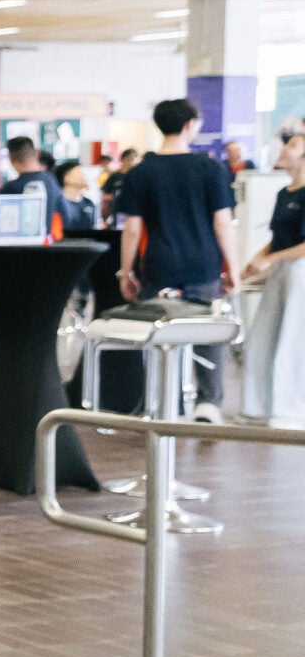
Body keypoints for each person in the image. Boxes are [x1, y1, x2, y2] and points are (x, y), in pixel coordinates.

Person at [115, 97, 242, 421]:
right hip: (204, 266)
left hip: (159, 267)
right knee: (209, 333)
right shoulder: (210, 168)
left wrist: (125, 272)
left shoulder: (140, 172)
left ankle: (163, 403)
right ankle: (208, 404)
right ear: (189, 125)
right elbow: (223, 224)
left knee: (161, 335)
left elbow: (132, 230)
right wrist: (233, 269)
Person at [239, 130, 305, 425]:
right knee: (262, 338)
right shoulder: (284, 193)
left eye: (293, 145)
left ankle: (290, 409)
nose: (284, 149)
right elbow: (278, 238)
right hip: (280, 272)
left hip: (299, 273)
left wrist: (270, 259)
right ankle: (259, 406)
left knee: (292, 340)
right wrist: (257, 259)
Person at [2, 135, 63, 226]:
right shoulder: (51, 180)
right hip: (49, 234)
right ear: (37, 153)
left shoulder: (12, 187)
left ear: (10, 158)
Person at [55, 160, 103, 235]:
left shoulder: (89, 203)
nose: (85, 175)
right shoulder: (57, 203)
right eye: (80, 172)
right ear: (66, 177)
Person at [102, 145, 143, 222]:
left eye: (135, 159)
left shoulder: (138, 177)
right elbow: (104, 195)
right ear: (122, 160)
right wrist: (117, 197)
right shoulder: (114, 176)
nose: (132, 162)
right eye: (130, 159)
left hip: (133, 215)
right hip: (115, 214)